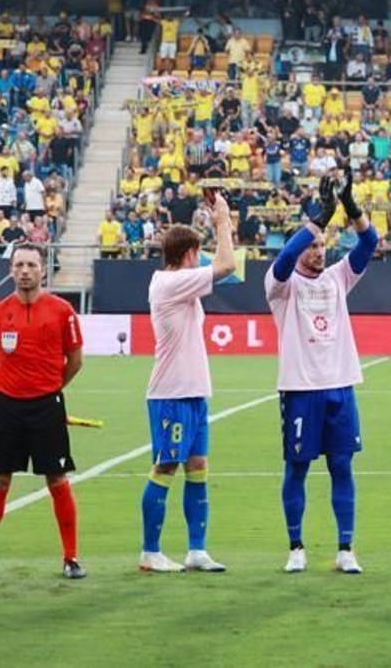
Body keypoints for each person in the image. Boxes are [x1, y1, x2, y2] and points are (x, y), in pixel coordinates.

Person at [267, 175, 379, 574]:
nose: (318, 251)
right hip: (301, 389)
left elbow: (369, 243)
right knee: (297, 468)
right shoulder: (281, 286)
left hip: (340, 387)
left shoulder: (337, 277)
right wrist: (319, 217)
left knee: (342, 466)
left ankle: (345, 549)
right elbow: (284, 259)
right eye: (312, 245)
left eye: (321, 245)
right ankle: (296, 547)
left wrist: (350, 206)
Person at [139, 192, 237, 574]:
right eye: (198, 252)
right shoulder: (169, 283)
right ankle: (150, 551)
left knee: (197, 466)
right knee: (166, 467)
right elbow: (227, 265)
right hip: (172, 392)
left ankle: (197, 549)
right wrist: (223, 221)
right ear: (189, 254)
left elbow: (229, 267)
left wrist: (219, 224)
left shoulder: (181, 283)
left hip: (193, 392)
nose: (202, 258)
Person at [0, 244, 85, 579]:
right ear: (11, 270)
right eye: (19, 265)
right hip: (6, 406)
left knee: (57, 478)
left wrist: (51, 388)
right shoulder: (1, 310)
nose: (25, 271)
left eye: (31, 265)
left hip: (47, 406)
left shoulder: (62, 311)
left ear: (43, 270)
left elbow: (75, 360)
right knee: (1, 478)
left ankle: (71, 557)